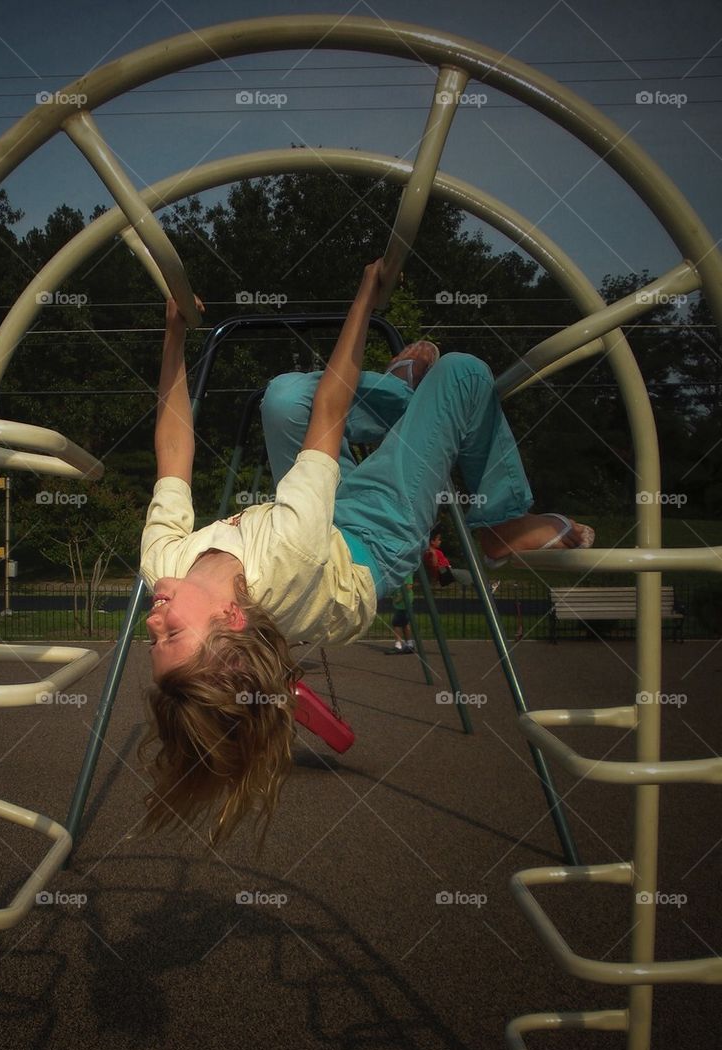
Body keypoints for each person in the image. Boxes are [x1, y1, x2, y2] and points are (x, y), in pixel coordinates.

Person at [139, 260, 593, 843]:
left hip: (320, 514)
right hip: (373, 539)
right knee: (462, 374)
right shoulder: (286, 555)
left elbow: (173, 447)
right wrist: (366, 299)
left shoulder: (164, 566)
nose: (151, 621)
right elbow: (331, 411)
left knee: (281, 399)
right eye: (168, 636)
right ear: (230, 621)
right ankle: (498, 520)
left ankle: (404, 394)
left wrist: (174, 334)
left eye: (151, 640)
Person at [390, 580, 416, 653]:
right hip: (402, 603)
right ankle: (409, 645)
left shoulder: (406, 572)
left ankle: (398, 645)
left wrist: (399, 598)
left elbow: (409, 586)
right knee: (405, 624)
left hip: (403, 603)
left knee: (396, 623)